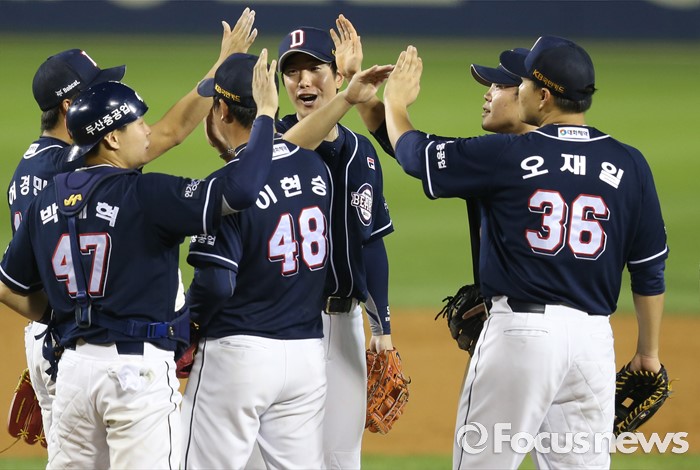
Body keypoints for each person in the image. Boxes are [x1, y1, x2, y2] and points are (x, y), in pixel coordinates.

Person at [383, 37, 668, 469]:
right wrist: (648, 353)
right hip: (593, 344)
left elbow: (413, 155)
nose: (519, 91)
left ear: (544, 96)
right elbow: (649, 269)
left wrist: (394, 103)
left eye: (525, 84)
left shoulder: (509, 154)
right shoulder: (631, 164)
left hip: (522, 335)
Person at [0, 46, 276, 468]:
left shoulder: (46, 197)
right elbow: (240, 190)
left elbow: (9, 287)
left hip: (72, 369)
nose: (148, 131)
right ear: (111, 138)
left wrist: (68, 320)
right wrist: (266, 115)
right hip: (135, 375)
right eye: (138, 122)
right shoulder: (144, 193)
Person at [179, 51, 333, 469]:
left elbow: (216, 283)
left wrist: (189, 327)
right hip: (306, 355)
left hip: (238, 356)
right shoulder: (314, 166)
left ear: (222, 110)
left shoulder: (223, 188)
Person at [275, 26, 395, 469]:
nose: (303, 80)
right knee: (270, 457)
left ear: (338, 76)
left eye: (314, 69)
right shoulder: (269, 145)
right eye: (292, 72)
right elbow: (292, 148)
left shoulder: (364, 153)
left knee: (342, 458)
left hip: (345, 325)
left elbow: (372, 243)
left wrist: (382, 327)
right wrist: (348, 99)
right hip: (286, 325)